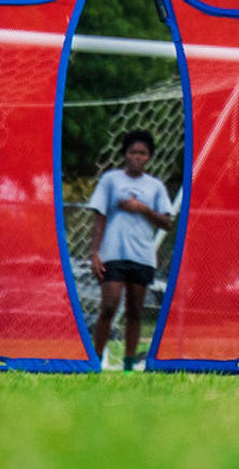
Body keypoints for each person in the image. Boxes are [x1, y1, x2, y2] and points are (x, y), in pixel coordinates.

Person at [88, 128, 174, 371]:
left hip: (142, 255)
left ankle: (128, 362)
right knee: (109, 305)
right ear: (125, 154)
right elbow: (100, 216)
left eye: (143, 153)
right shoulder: (111, 180)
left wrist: (143, 209)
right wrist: (95, 253)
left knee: (135, 309)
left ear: (149, 157)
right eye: (133, 152)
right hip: (113, 253)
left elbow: (167, 222)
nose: (137, 157)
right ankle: (95, 359)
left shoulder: (155, 187)